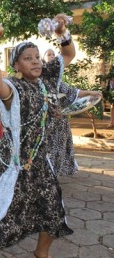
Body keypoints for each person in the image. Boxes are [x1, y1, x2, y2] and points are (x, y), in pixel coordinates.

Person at [0, 14, 75, 258]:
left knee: (53, 211)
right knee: (7, 219)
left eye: (37, 58)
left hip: (41, 164)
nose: (36, 62)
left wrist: (62, 33)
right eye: (27, 59)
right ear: (16, 66)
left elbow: (69, 54)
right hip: (15, 165)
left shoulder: (46, 81)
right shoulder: (14, 88)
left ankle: (42, 253)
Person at [42, 48, 102, 176]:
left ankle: (53, 174)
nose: (52, 56)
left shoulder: (58, 81)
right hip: (43, 122)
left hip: (59, 121)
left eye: (54, 54)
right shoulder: (37, 77)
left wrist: (90, 93)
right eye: (49, 54)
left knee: (58, 149)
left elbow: (73, 92)